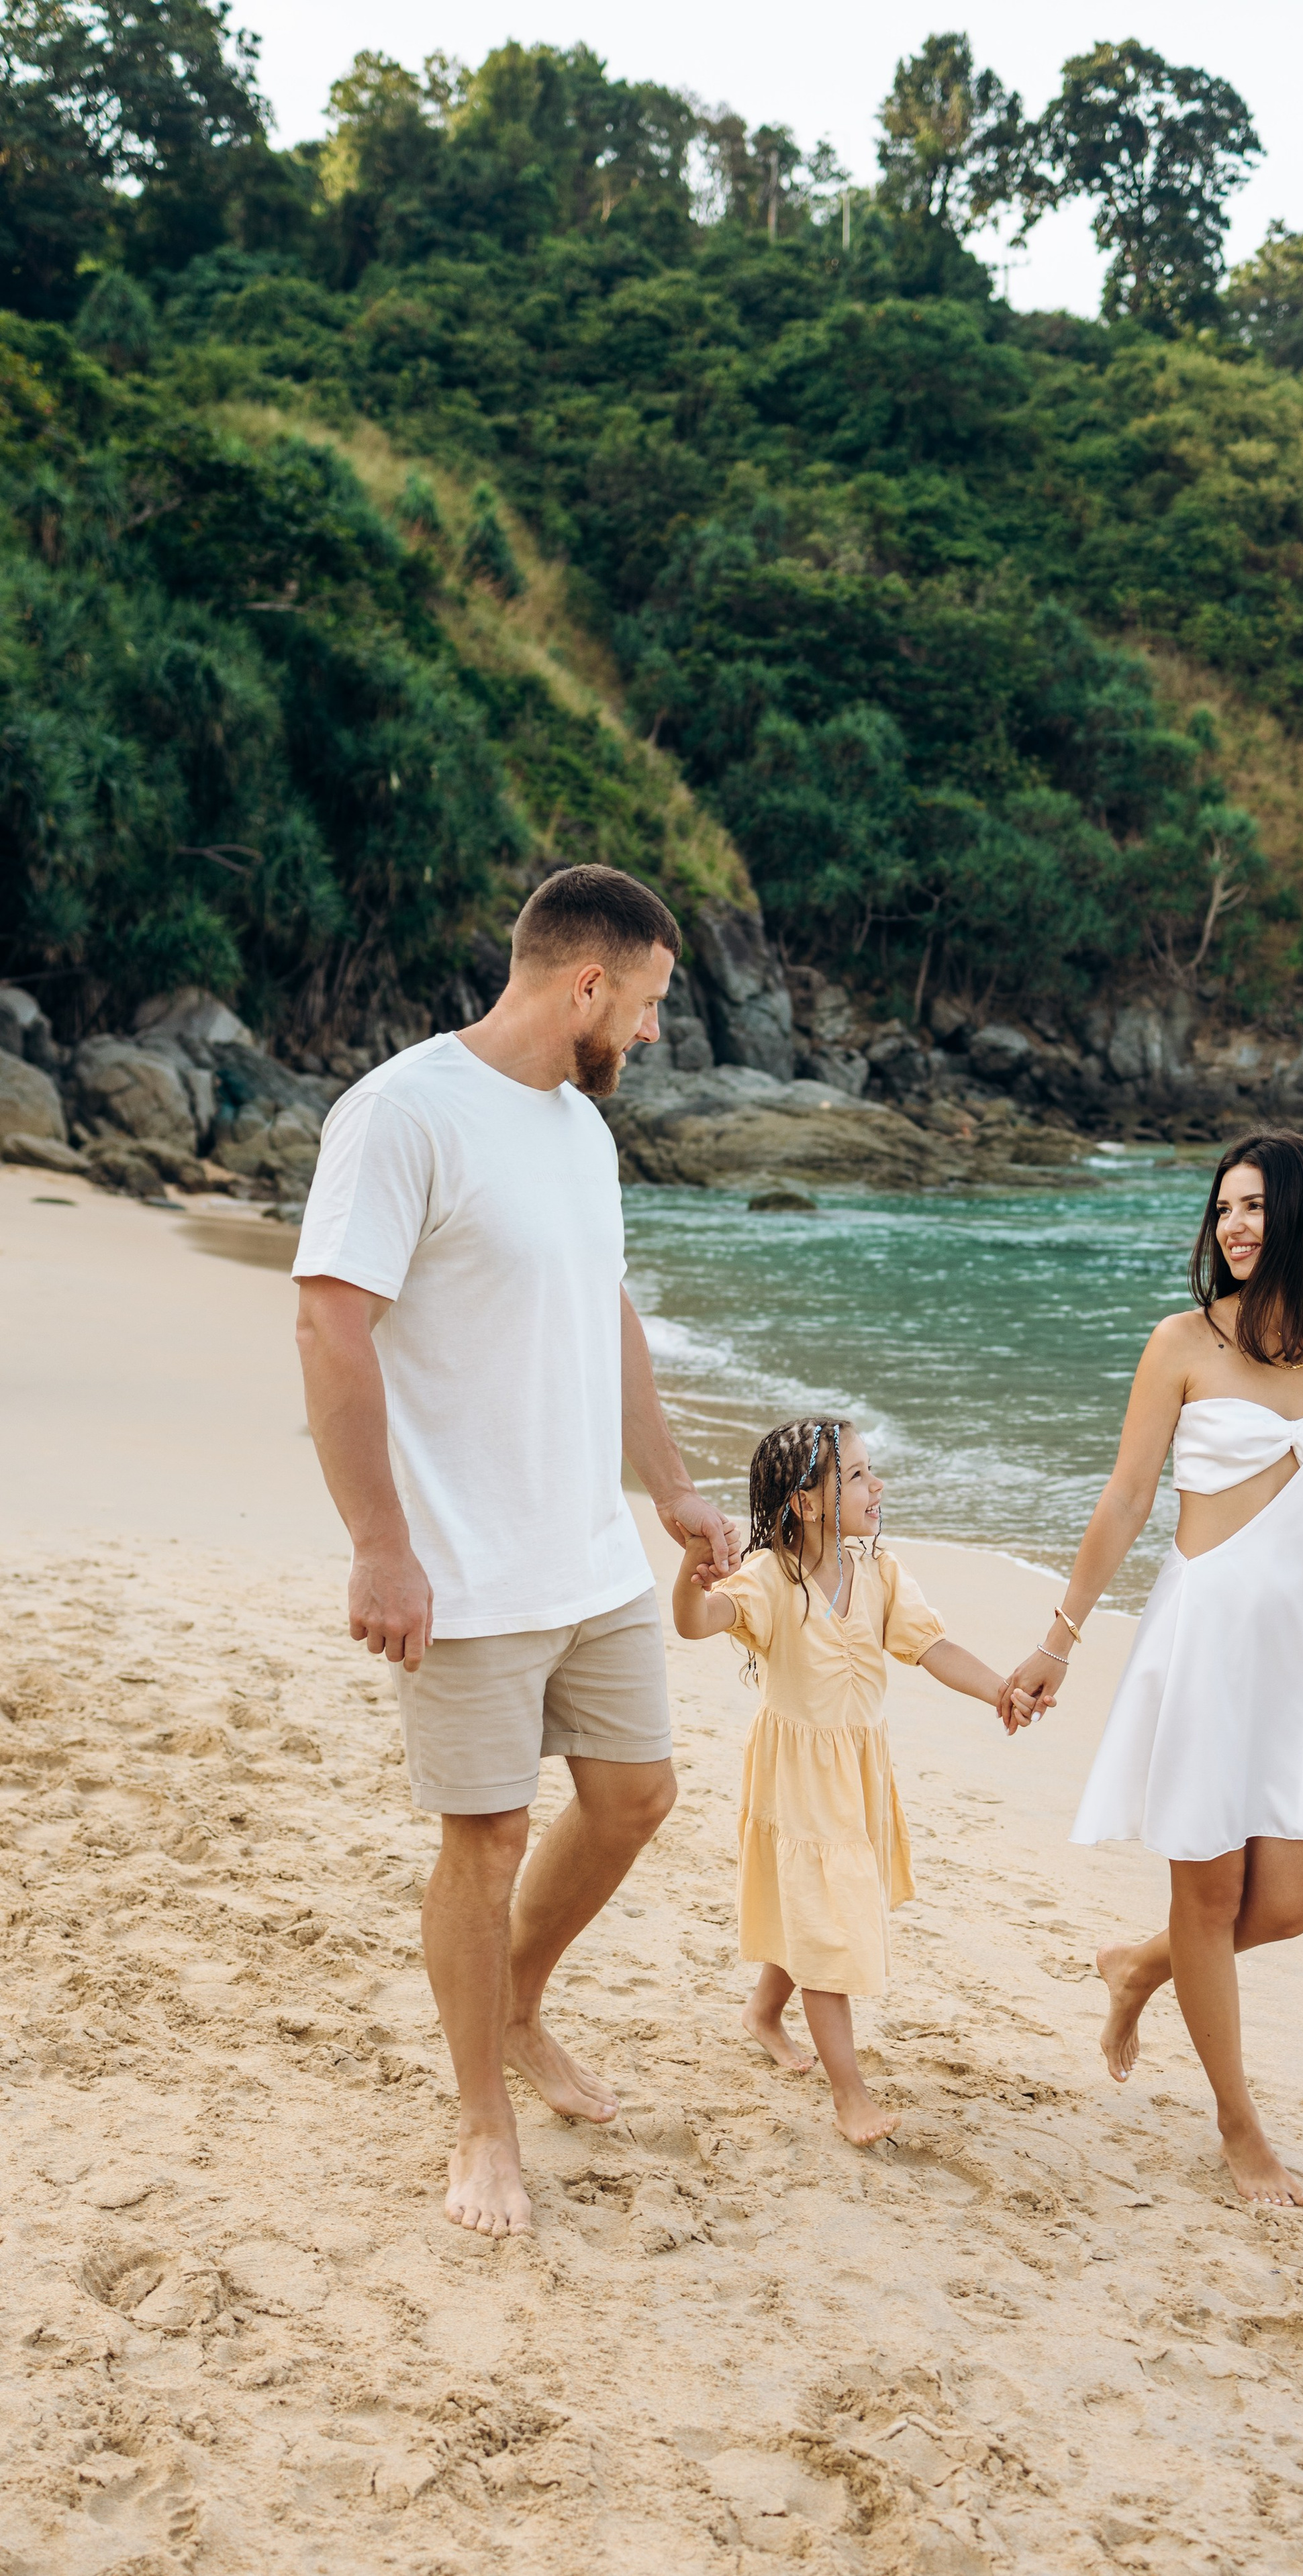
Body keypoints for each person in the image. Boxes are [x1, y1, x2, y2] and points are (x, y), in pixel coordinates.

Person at [293, 863, 736, 2240]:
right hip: (464, 1566)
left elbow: (604, 1309)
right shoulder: (403, 1113)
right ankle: (480, 2115)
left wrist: (665, 1486)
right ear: (586, 984)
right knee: (481, 1840)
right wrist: (380, 1544)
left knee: (634, 1796)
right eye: (649, 1004)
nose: (653, 1035)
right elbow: (327, 1323)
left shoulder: (578, 1131)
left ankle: (521, 2003)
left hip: (586, 1551)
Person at [999, 1132, 1303, 2208]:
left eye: (1257, 1206)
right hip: (1205, 1643)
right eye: (1225, 1209)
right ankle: (1239, 2126)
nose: (1235, 1225)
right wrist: (1058, 1638)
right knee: (1213, 1892)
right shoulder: (1181, 1341)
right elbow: (1127, 1499)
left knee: (1288, 1904)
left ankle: (1138, 1962)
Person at [673, 1420, 1010, 2145]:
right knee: (827, 1923)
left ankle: (763, 2012)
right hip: (797, 1779)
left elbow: (934, 1648)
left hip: (855, 1771)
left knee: (818, 1908)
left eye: (869, 1470)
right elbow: (698, 1620)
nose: (875, 1484)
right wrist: (689, 1571)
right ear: (806, 1502)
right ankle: (849, 2095)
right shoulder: (769, 1580)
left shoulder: (879, 1572)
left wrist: (1000, 1691)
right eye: (855, 1475)